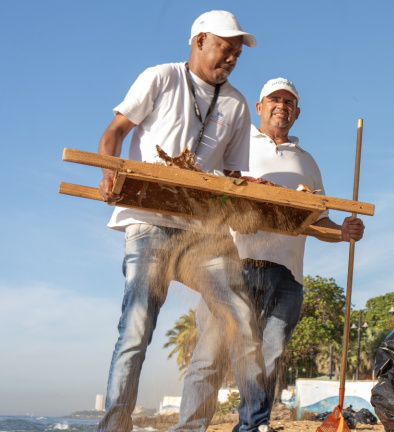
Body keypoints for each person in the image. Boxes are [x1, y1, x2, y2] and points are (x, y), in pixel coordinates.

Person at [95, 11, 263, 432]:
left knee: (241, 318)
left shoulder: (237, 103)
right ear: (200, 40)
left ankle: (253, 425)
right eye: (226, 48)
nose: (231, 58)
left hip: (204, 231)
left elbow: (234, 175)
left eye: (237, 53)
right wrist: (110, 170)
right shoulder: (162, 77)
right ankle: (115, 425)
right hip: (149, 221)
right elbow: (114, 131)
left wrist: (254, 196)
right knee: (136, 329)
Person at [170, 78, 365, 432]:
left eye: (289, 102)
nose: (282, 106)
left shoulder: (307, 162)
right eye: (274, 99)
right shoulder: (234, 146)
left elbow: (316, 221)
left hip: (286, 274)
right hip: (229, 267)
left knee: (269, 360)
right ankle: (188, 429)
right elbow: (208, 197)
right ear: (259, 107)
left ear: (297, 112)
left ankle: (251, 428)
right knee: (209, 359)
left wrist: (342, 233)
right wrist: (235, 212)